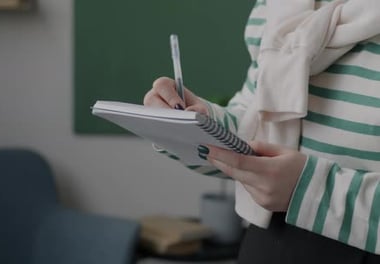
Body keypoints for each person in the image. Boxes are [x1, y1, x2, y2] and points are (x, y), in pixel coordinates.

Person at [143, 0, 380, 263]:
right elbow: (255, 125)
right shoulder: (277, 6)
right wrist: (195, 123)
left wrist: (308, 191)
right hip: (271, 243)